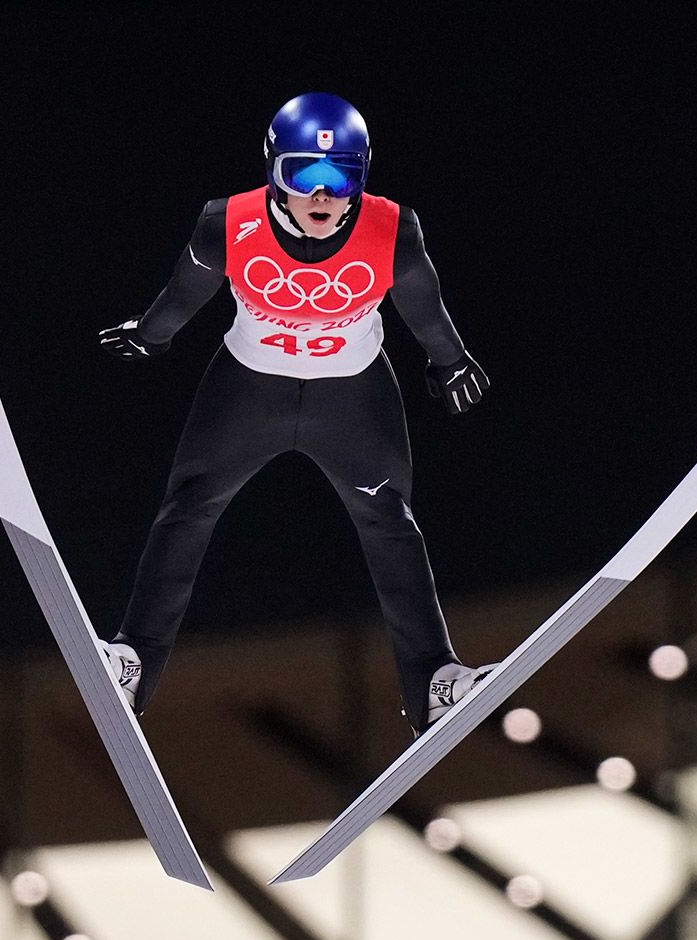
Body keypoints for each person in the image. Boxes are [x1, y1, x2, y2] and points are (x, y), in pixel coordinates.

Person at [96, 92, 494, 735]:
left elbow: (423, 306)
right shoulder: (226, 222)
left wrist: (450, 360)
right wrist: (151, 332)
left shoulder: (393, 229)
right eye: (302, 175)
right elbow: (185, 292)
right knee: (188, 507)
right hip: (248, 389)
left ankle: (434, 685)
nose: (321, 195)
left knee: (390, 522)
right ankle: (134, 660)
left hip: (352, 397)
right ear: (273, 170)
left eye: (340, 180)